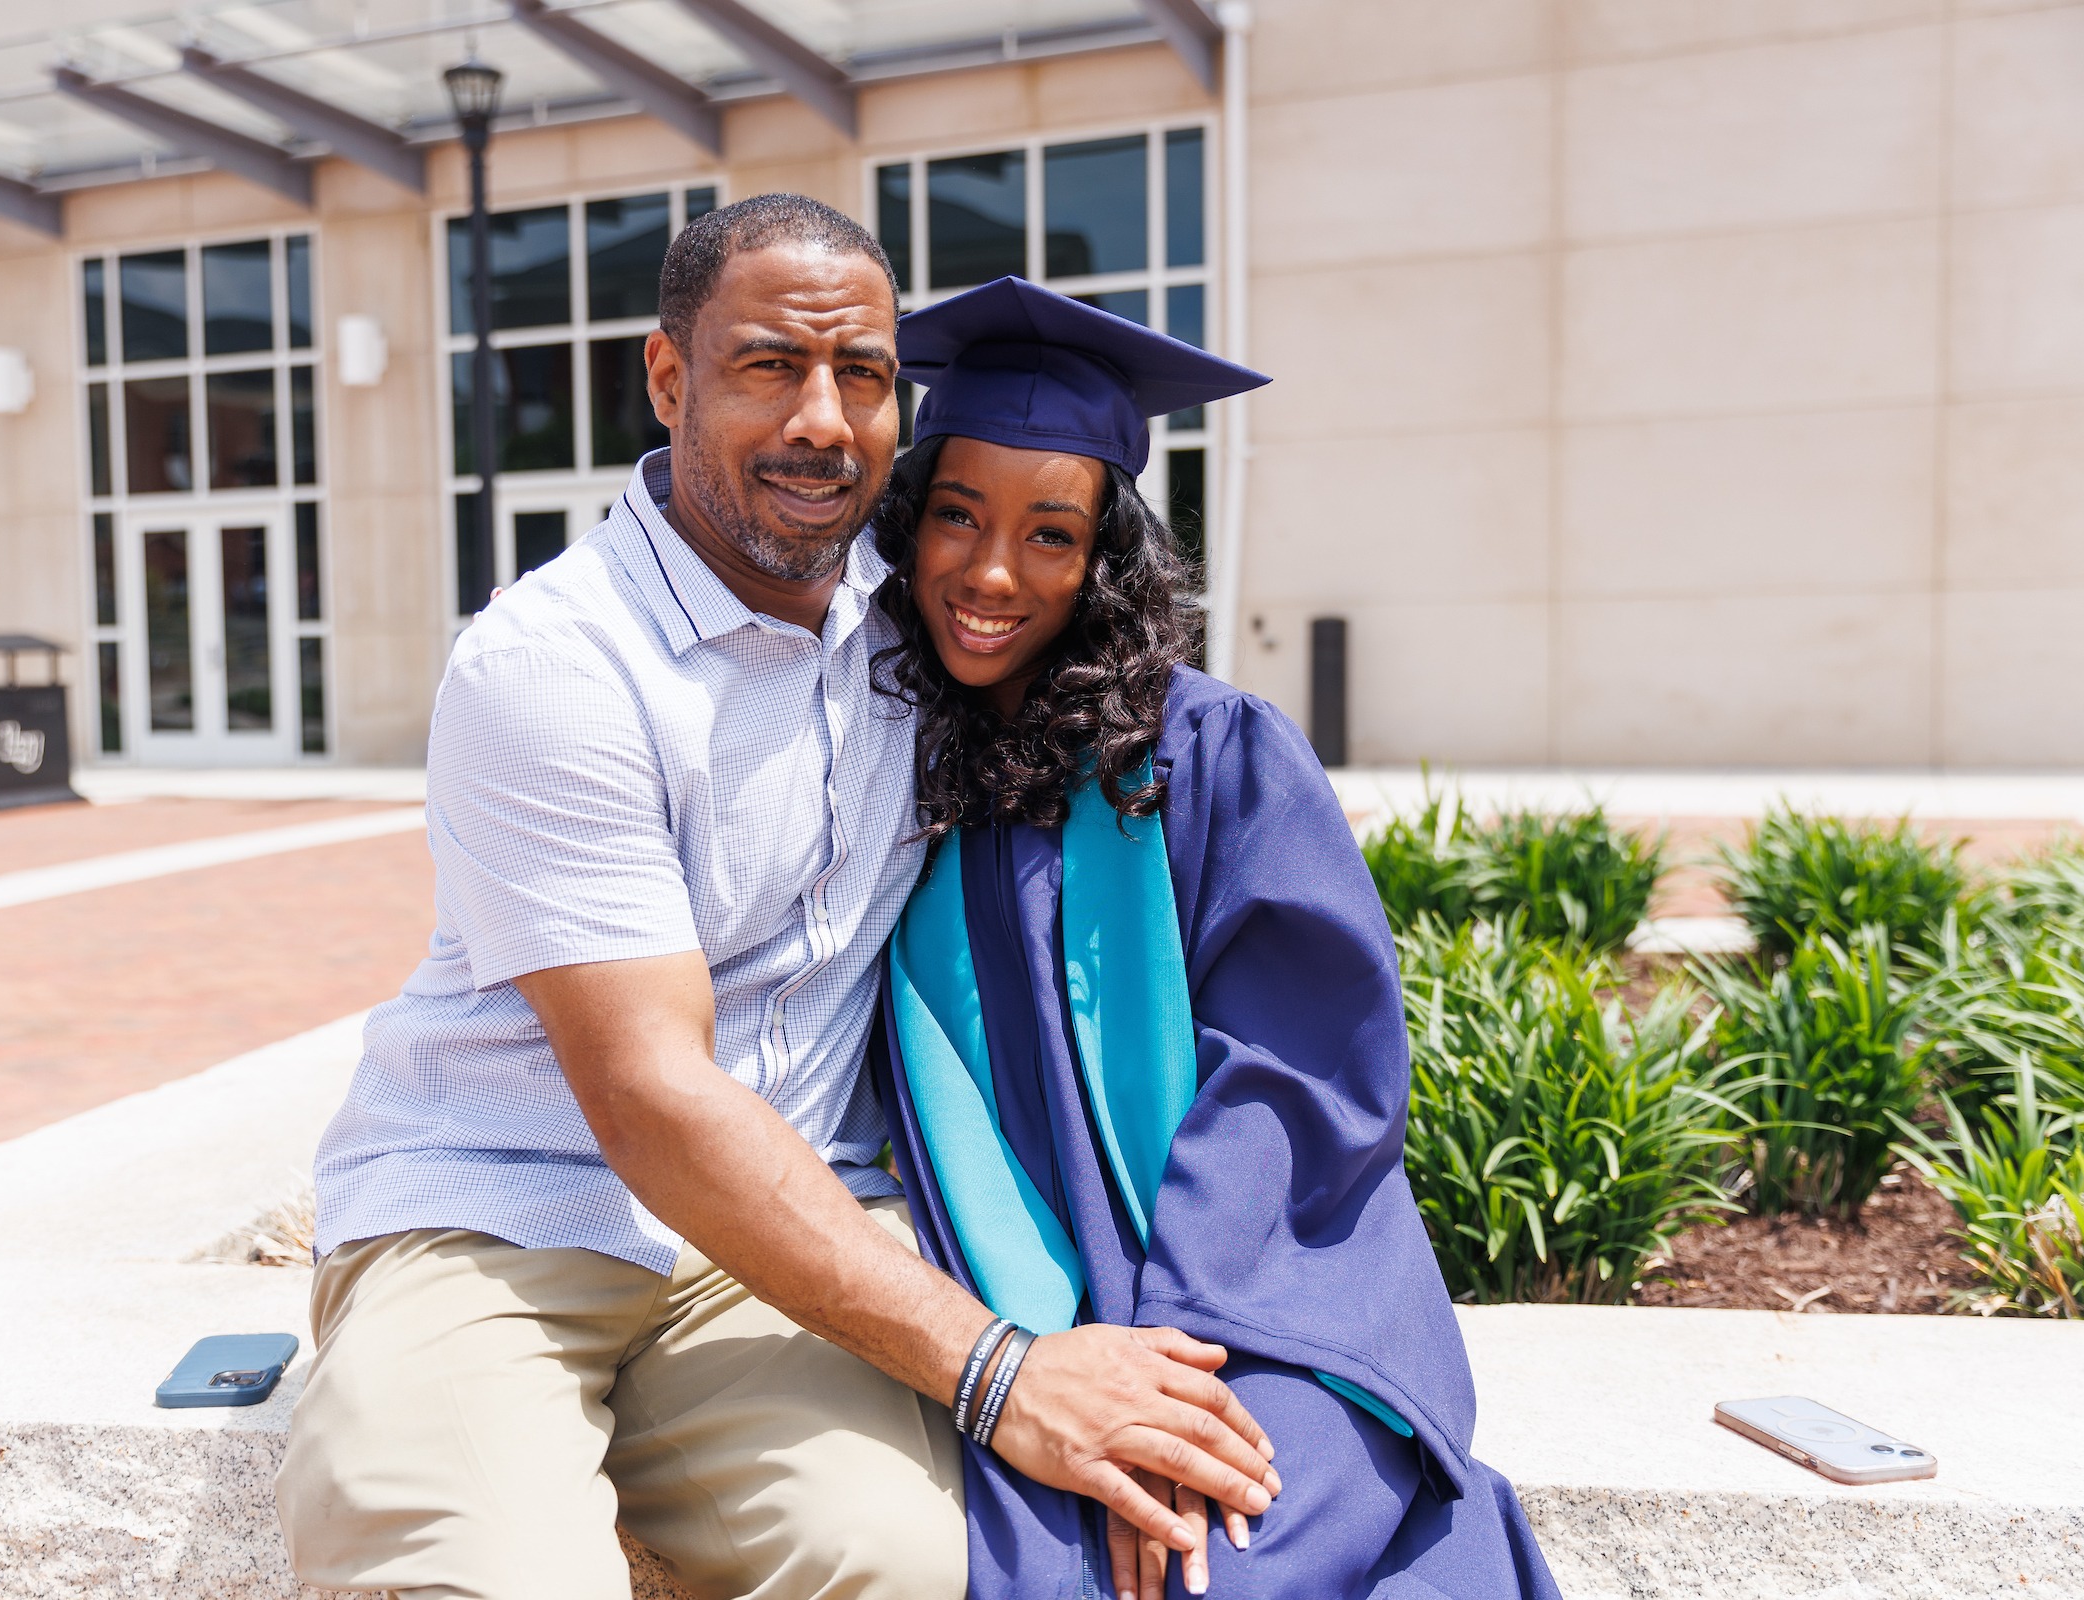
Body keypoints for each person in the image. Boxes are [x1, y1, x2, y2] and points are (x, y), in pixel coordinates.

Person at [277, 203, 1281, 1600]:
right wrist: (1002, 1374)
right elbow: (650, 1097)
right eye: (768, 367)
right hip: (494, 1214)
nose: (824, 420)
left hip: (773, 1244)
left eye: (862, 374)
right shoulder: (558, 665)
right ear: (670, 378)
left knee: (903, 1566)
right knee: (470, 1575)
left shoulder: (917, 623)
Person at [866, 277, 1563, 1600]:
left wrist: (1174, 1355)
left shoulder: (1212, 755)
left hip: (1265, 1295)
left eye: (1051, 535)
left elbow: (1297, 1079)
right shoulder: (882, 767)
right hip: (1022, 1317)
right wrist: (1074, 1369)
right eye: (957, 515)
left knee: (1221, 1560)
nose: (993, 572)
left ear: (1104, 559)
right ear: (908, 527)